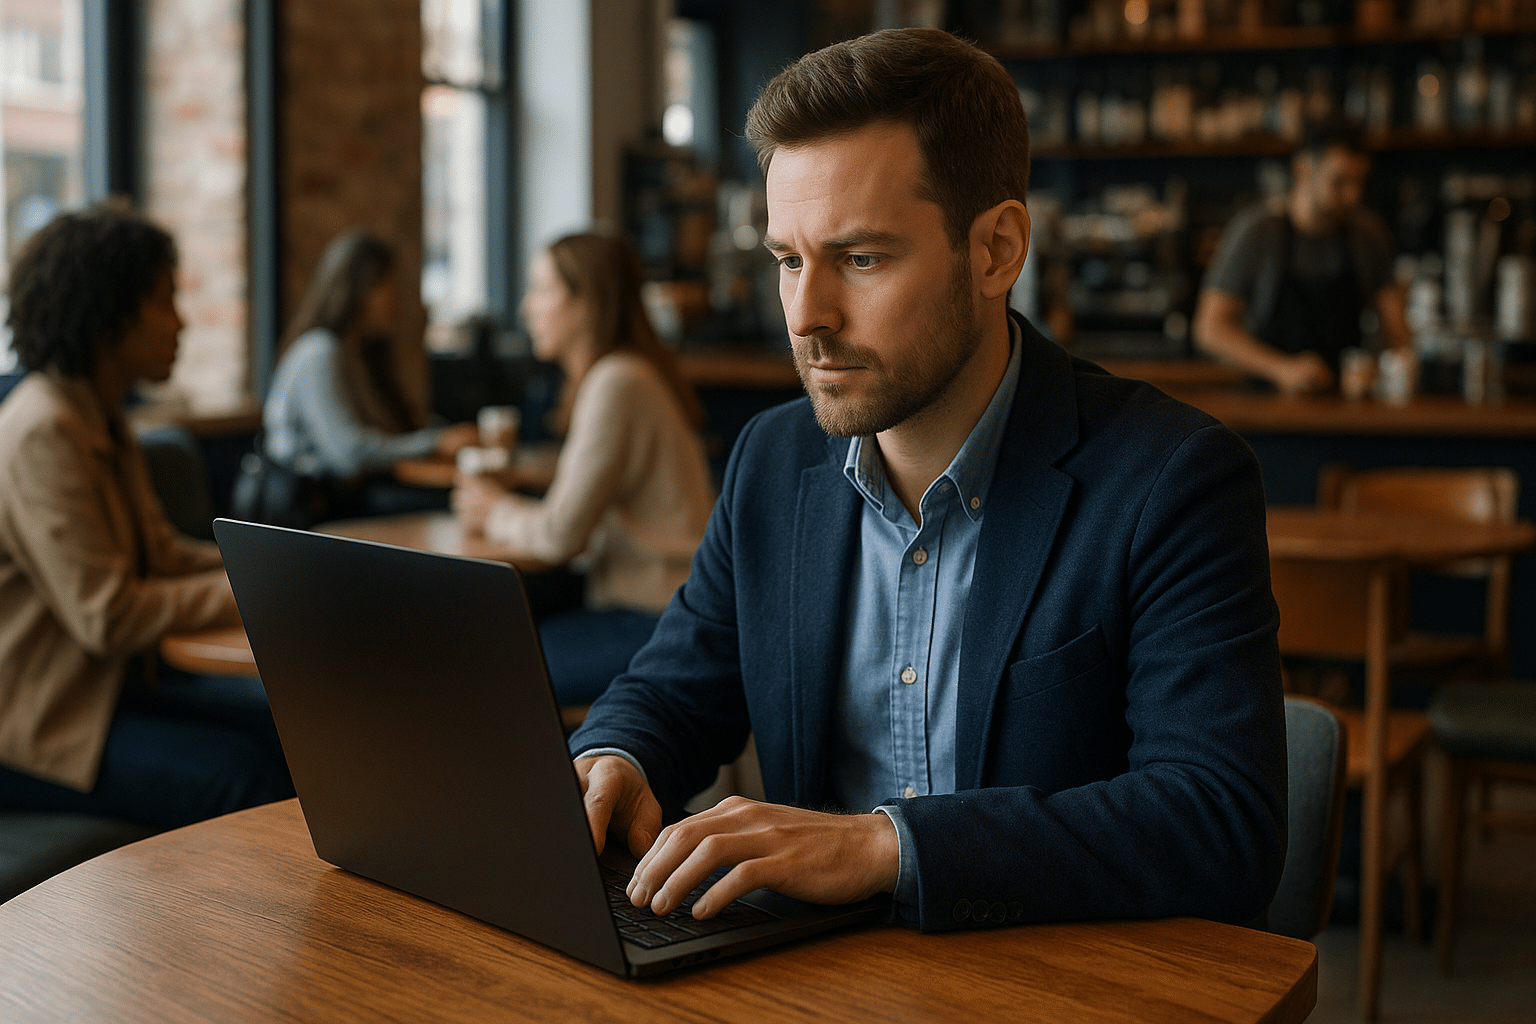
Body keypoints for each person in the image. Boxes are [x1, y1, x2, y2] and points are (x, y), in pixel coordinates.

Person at [569, 27, 1287, 932]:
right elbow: (676, 686)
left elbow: (1222, 823)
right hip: (813, 986)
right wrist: (616, 756)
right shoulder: (773, 461)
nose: (805, 315)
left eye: (861, 259)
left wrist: (881, 847)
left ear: (996, 251)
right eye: (788, 259)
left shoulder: (1172, 479)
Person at [0, 205, 293, 827]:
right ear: (108, 315)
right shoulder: (42, 431)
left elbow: (160, 554)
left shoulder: (100, 412)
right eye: (164, 301)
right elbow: (106, 615)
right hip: (38, 726)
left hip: (107, 696)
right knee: (248, 774)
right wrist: (256, 587)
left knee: (295, 732)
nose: (182, 322)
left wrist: (277, 565)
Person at [452, 232, 715, 707]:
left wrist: (492, 509)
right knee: (481, 650)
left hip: (655, 619)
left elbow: (560, 537)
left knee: (482, 673)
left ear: (586, 303)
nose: (527, 307)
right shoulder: (625, 373)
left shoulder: (617, 381)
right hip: (651, 609)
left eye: (542, 289)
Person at [262, 230, 477, 520]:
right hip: (317, 509)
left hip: (350, 498)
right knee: (454, 506)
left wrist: (439, 433)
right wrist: (436, 442)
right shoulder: (319, 352)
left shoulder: (358, 354)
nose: (396, 298)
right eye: (386, 285)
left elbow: (387, 432)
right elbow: (349, 456)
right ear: (358, 289)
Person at [1193, 114, 1411, 395]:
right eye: (1340, 182)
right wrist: (1282, 369)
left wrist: (1396, 366)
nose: (1353, 196)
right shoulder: (1258, 232)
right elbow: (1210, 329)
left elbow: (1396, 330)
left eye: (1359, 182)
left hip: (1346, 403)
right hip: (1267, 403)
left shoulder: (1368, 235)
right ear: (1303, 169)